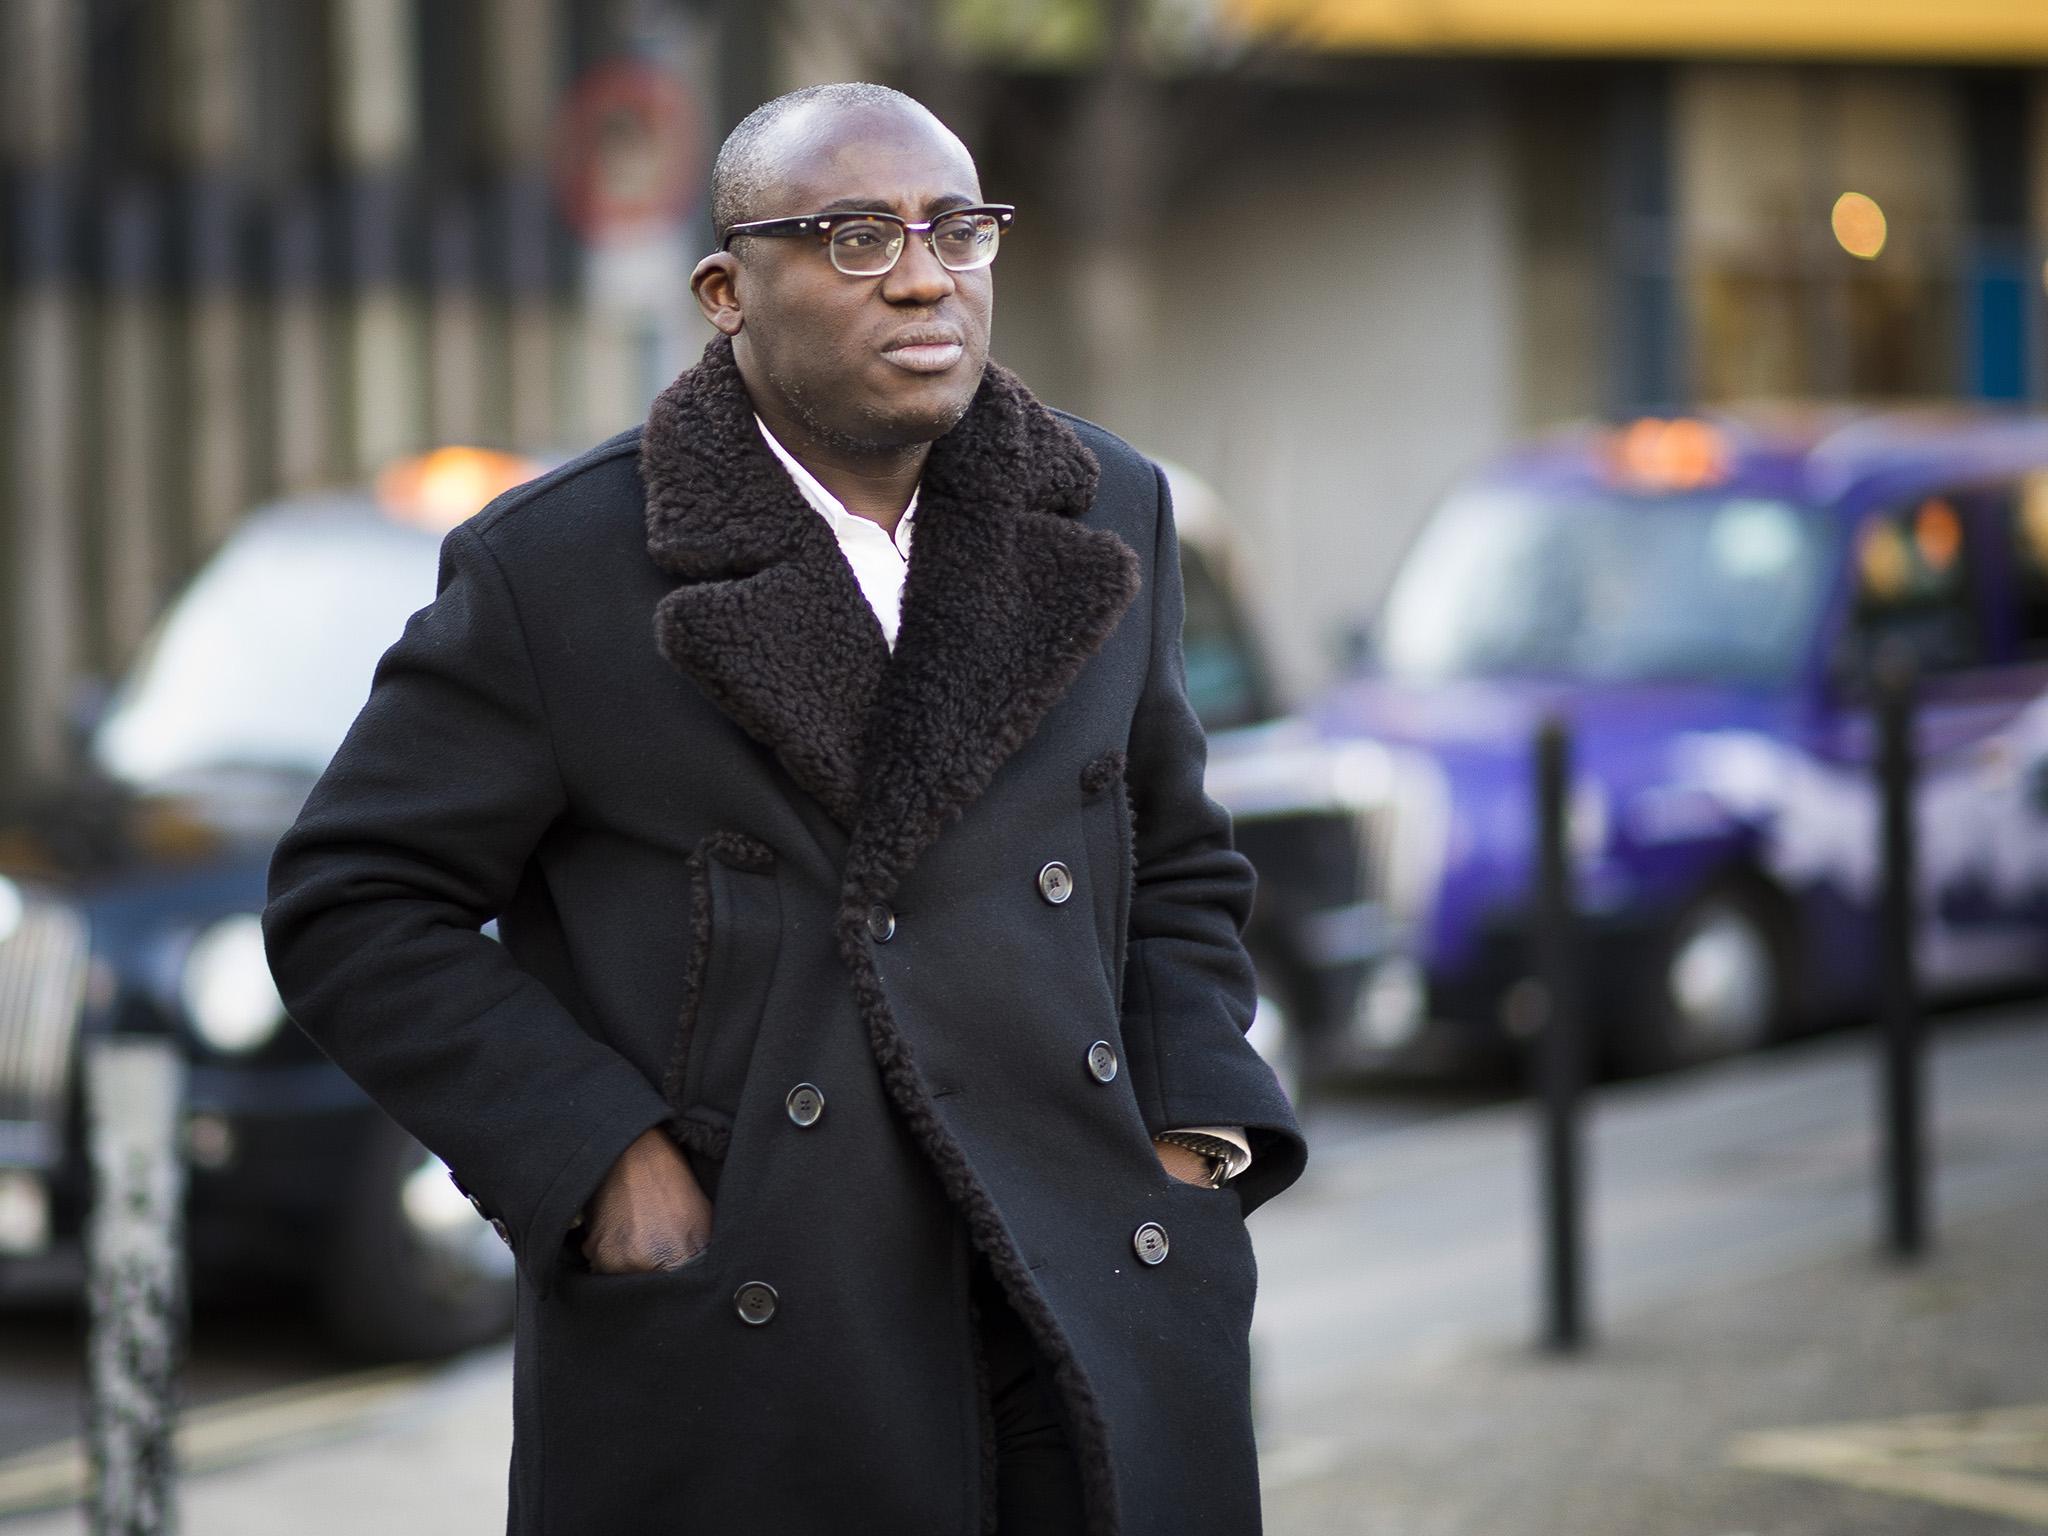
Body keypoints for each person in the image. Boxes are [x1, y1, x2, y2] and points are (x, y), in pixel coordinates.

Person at [262, 81, 1305, 1536]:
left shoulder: (1107, 506)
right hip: (765, 1315)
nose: (927, 274)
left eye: (958, 228)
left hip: (1086, 1272)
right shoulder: (558, 569)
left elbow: (1177, 853)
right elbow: (353, 903)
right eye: (858, 236)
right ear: (726, 289)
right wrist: (597, 1160)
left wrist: (1189, 1135)